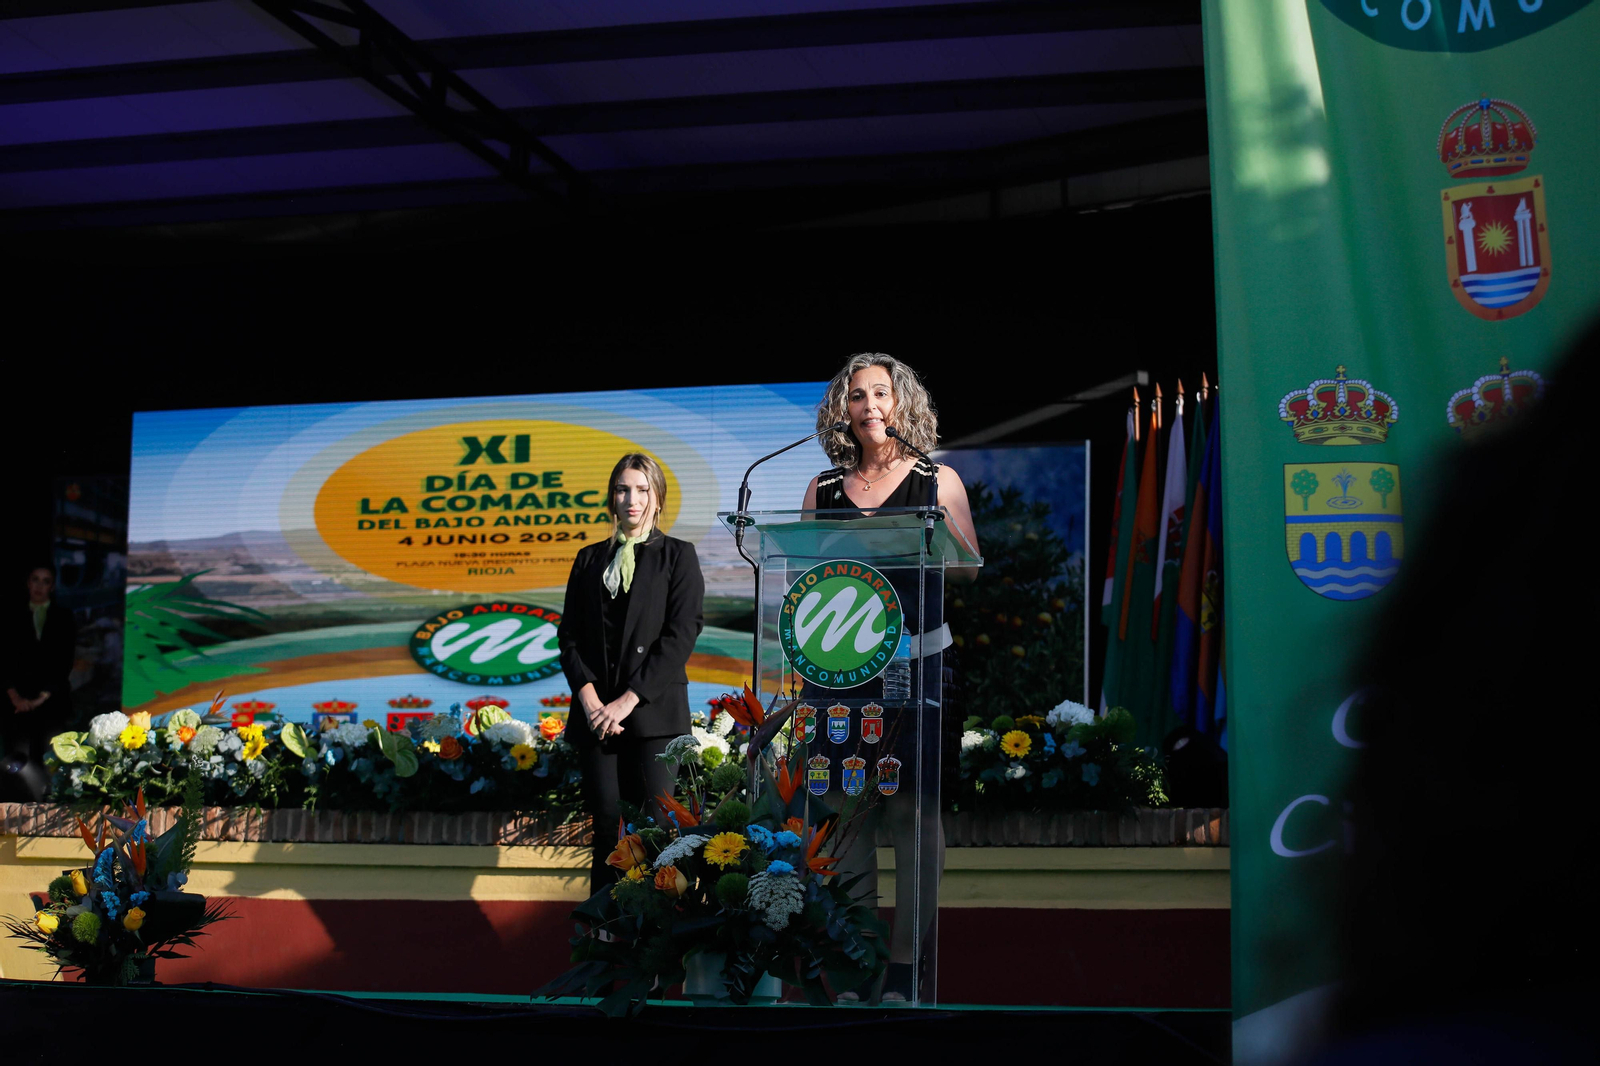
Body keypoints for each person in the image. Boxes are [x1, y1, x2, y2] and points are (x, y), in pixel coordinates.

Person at [799, 352, 980, 1002]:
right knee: (845, 816)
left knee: (910, 814)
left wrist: (918, 540)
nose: (870, 405)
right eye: (857, 396)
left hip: (921, 665)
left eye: (881, 393)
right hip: (840, 675)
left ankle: (907, 972)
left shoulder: (938, 479)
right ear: (842, 409)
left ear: (901, 402)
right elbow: (803, 574)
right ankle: (857, 967)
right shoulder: (823, 489)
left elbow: (969, 568)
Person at [558, 454, 706, 893]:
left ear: (658, 498)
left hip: (653, 718)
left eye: (642, 490)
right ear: (611, 497)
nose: (632, 499)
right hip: (597, 719)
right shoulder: (588, 560)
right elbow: (568, 638)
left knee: (656, 832)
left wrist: (627, 701)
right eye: (623, 489)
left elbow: (681, 635)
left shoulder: (678, 556)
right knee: (607, 831)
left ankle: (655, 943)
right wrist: (590, 701)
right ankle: (602, 940)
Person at [1, 564, 77, 798]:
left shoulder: (64, 617)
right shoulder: (10, 615)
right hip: (16, 705)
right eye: (35, 579)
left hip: (51, 703)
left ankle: (50, 818)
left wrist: (39, 699)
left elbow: (64, 662)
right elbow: (3, 659)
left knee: (51, 763)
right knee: (18, 766)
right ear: (28, 583)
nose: (39, 586)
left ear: (52, 587)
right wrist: (16, 697)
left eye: (45, 581)